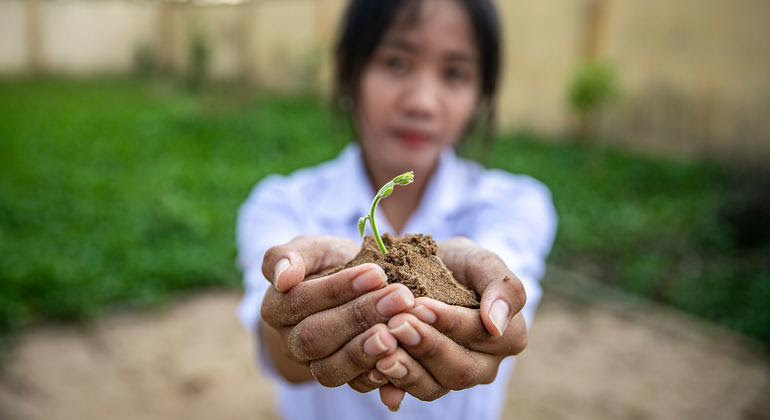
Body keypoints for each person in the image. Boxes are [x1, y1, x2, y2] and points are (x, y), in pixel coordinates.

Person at [236, 0, 557, 418]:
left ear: (482, 91)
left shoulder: (513, 204)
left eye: (455, 73)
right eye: (395, 62)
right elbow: (278, 346)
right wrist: (292, 322)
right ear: (349, 70)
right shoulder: (283, 203)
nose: (422, 102)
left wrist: (495, 311)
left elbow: (505, 306)